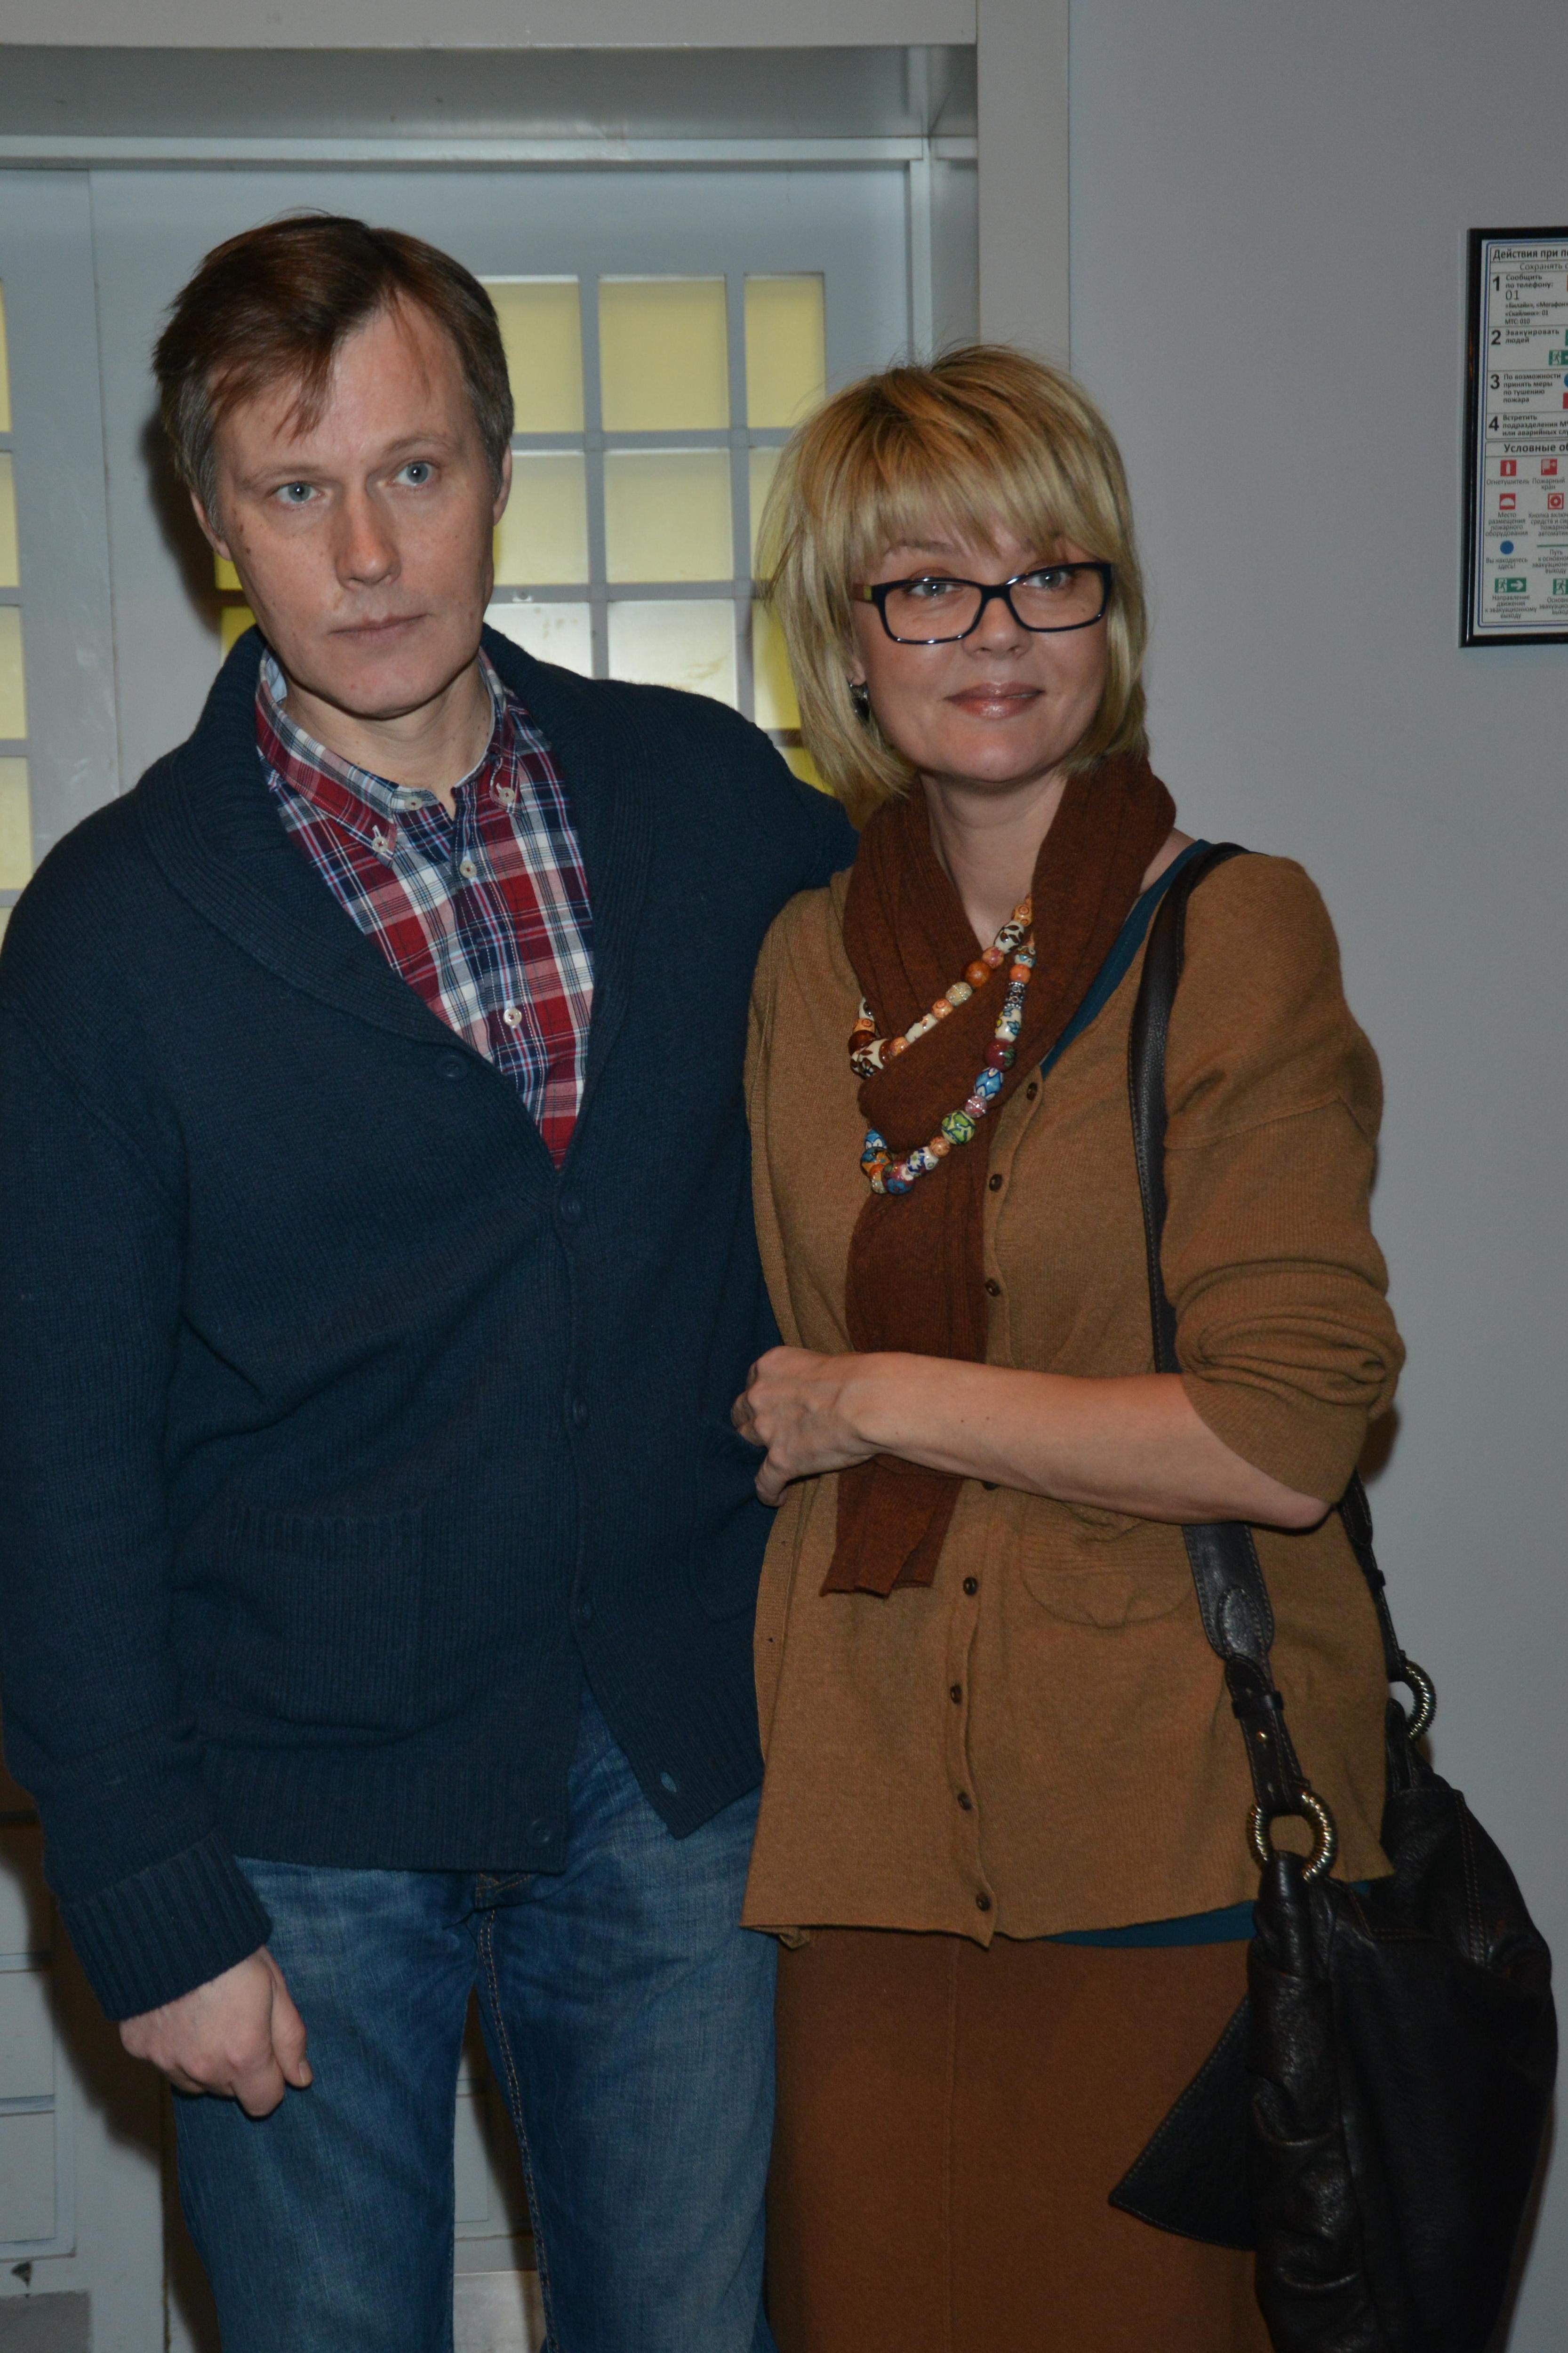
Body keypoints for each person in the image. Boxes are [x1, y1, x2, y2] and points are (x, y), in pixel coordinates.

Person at [0, 214, 854, 2353]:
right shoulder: (109, 931)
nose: (368, 552)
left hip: (673, 1774)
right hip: (291, 1826)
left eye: (413, 470)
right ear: (216, 525)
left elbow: (942, 1063)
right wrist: (146, 1893)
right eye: (295, 490)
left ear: (494, 470)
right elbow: (51, 1456)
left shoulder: (710, 801)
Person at [731, 347, 1403, 2349]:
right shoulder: (803, 964)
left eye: (1048, 574)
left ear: (1109, 614)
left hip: (1161, 1809)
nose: (997, 631)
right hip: (857, 1812)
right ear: (848, 643)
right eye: (926, 586)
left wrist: (876, 1398)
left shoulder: (1234, 933)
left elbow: (1285, 1433)